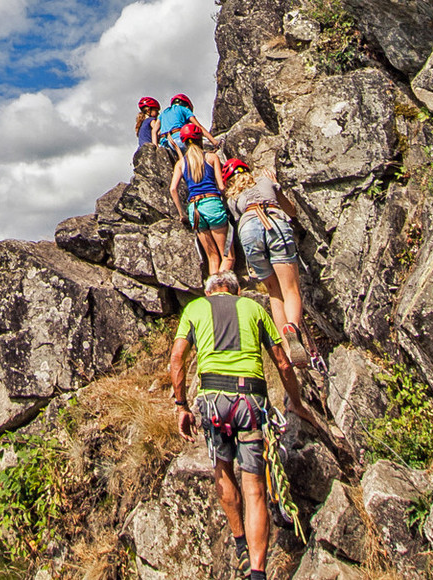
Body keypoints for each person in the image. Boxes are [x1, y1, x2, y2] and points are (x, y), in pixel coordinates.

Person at [170, 271, 318, 580]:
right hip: (250, 400)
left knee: (223, 470)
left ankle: (240, 543)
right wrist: (297, 403)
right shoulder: (254, 309)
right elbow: (281, 361)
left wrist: (182, 406)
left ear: (210, 291)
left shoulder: (195, 309)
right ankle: (257, 571)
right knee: (255, 489)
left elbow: (177, 359)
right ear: (237, 291)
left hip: (213, 401)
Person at [222, 158, 309, 366]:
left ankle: (288, 350)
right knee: (290, 289)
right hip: (273, 221)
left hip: (248, 229)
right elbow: (292, 210)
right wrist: (275, 185)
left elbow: (235, 221)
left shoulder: (233, 198)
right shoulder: (265, 180)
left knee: (273, 291)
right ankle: (293, 327)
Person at [169, 123, 233, 274]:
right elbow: (222, 186)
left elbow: (173, 189)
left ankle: (212, 292)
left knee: (212, 258)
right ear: (200, 139)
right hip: (211, 203)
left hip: (194, 209)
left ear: (184, 142)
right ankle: (221, 289)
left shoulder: (181, 164)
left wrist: (182, 214)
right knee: (228, 257)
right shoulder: (211, 157)